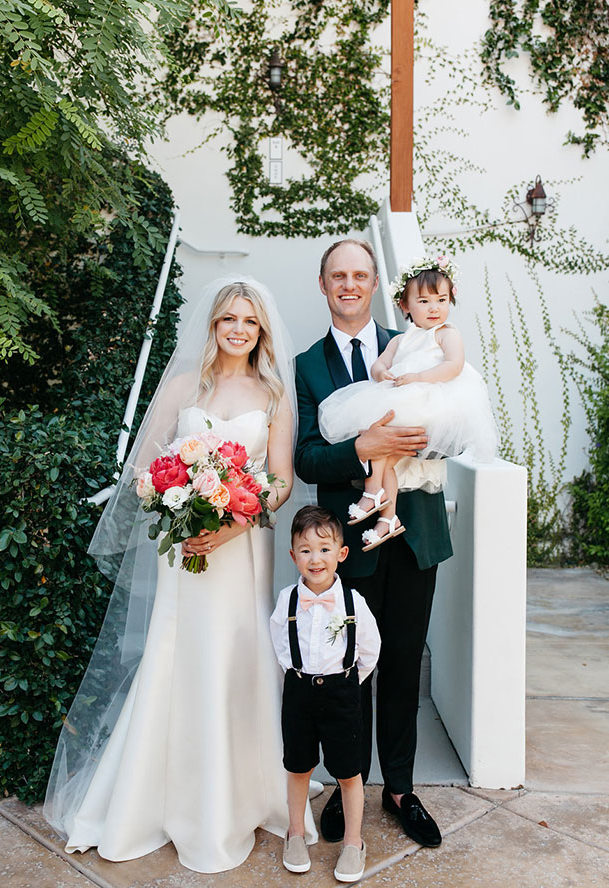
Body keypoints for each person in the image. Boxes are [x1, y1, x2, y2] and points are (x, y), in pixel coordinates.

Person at [44, 278, 317, 873]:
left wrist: (234, 522)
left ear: (261, 332)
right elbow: (145, 468)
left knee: (233, 657)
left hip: (240, 550)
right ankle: (153, 795)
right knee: (177, 653)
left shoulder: (274, 394)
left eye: (250, 321)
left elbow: (280, 481)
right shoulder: (179, 387)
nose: (239, 330)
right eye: (228, 320)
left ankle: (239, 794)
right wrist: (173, 496)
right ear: (213, 326)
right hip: (185, 551)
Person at [294, 239, 453, 848]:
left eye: (361, 274)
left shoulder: (416, 339)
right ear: (324, 284)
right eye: (340, 275)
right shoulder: (308, 364)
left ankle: (402, 789)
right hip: (346, 543)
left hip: (414, 533)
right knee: (347, 670)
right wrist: (361, 451)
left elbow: (452, 418)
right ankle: (348, 783)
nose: (351, 284)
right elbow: (307, 455)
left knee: (405, 662)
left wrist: (418, 439)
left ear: (376, 282)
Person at [318, 256, 497, 551]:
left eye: (442, 299)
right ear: (405, 305)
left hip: (430, 401)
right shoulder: (400, 341)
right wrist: (381, 373)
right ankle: (387, 520)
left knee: (386, 451)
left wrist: (417, 377)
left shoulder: (446, 333)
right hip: (402, 397)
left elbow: (454, 366)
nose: (435, 308)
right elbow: (379, 365)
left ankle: (373, 492)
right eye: (424, 301)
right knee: (384, 454)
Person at [270, 506, 380, 882]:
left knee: (349, 772)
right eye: (305, 550)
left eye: (324, 549)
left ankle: (353, 842)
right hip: (299, 691)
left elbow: (370, 649)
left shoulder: (354, 603)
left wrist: (347, 683)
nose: (314, 559)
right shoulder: (286, 601)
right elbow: (280, 646)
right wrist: (300, 677)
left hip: (342, 693)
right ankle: (296, 833)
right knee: (299, 766)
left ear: (341, 554)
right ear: (292, 555)